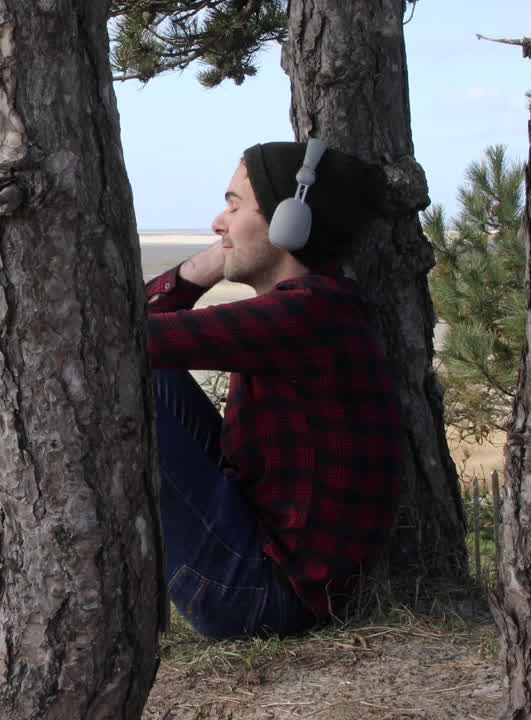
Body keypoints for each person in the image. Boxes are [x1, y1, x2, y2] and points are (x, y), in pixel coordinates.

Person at [145, 141, 404, 640]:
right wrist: (224, 255)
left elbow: (118, 344)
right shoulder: (319, 308)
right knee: (149, 377)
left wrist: (218, 260)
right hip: (270, 576)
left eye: (235, 205)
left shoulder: (305, 314)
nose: (218, 221)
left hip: (260, 601)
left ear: (290, 221)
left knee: (129, 384)